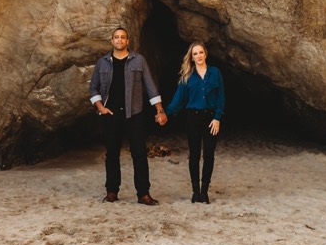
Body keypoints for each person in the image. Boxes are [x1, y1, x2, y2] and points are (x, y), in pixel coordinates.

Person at [89, 27, 166, 205]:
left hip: (135, 114)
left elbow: (150, 86)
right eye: (116, 37)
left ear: (127, 41)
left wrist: (159, 110)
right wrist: (101, 107)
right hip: (111, 114)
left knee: (139, 154)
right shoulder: (102, 63)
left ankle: (143, 194)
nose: (119, 40)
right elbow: (93, 87)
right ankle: (112, 191)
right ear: (112, 41)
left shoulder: (138, 61)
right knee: (112, 154)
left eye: (123, 37)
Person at [161, 41, 225, 204]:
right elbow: (178, 100)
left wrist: (217, 117)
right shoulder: (187, 76)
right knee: (194, 155)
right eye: (195, 53)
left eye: (201, 52)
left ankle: (205, 192)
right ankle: (195, 192)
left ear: (206, 54)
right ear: (191, 57)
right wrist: (165, 114)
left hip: (211, 118)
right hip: (193, 118)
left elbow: (221, 97)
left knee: (209, 155)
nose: (198, 56)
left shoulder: (215, 73)